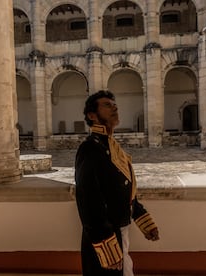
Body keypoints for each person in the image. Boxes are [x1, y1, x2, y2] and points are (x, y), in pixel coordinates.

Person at [75, 90, 160, 276]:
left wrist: (143, 219)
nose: (114, 107)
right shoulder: (90, 148)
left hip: (121, 228)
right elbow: (87, 201)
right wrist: (105, 243)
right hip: (105, 235)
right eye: (107, 105)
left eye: (114, 104)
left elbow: (123, 190)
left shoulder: (113, 147)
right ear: (92, 115)